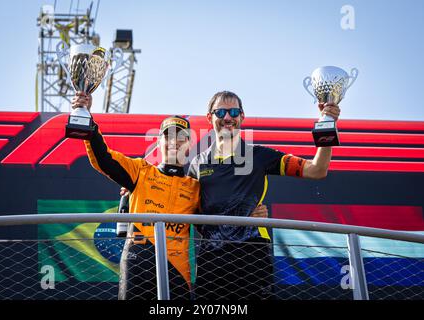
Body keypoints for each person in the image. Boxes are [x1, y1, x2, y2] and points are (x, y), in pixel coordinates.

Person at [72, 92, 268, 300]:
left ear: (189, 144)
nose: (175, 142)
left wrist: (249, 216)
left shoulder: (195, 186)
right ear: (158, 142)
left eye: (181, 137)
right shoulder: (140, 171)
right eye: (169, 136)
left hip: (178, 271)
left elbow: (216, 222)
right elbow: (103, 158)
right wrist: (87, 121)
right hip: (139, 262)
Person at [188, 90, 340, 300]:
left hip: (252, 253)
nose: (227, 118)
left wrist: (327, 124)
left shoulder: (259, 155)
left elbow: (317, 170)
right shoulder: (197, 164)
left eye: (233, 111)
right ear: (209, 118)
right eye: (220, 112)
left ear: (242, 116)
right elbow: (186, 209)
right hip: (211, 257)